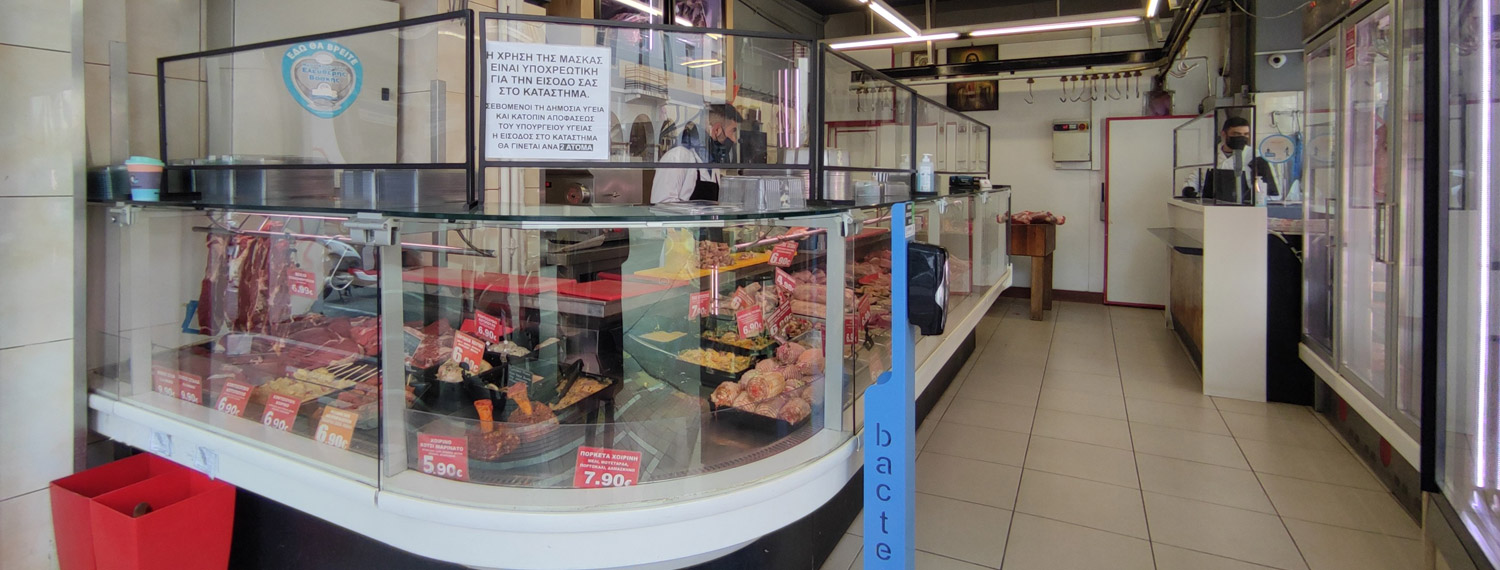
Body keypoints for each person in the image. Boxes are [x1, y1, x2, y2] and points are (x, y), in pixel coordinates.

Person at [649, 104, 741, 203]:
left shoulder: (712, 165)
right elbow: (662, 205)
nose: (734, 139)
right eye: (733, 131)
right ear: (717, 130)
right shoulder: (677, 158)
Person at [1183, 116, 1279, 202]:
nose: (1241, 138)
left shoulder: (1256, 157)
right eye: (1236, 134)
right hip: (1211, 206)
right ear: (1224, 134)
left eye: (1246, 134)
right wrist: (1188, 189)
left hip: (1244, 208)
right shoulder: (1208, 154)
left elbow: (1272, 192)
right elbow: (1196, 177)